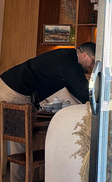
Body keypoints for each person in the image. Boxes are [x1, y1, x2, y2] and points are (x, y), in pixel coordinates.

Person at [0, 42, 95, 182]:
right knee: (20, 143)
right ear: (85, 55)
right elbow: (83, 92)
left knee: (13, 139)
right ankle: (17, 180)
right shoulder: (70, 62)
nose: (91, 67)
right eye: (92, 62)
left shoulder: (66, 56)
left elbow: (74, 88)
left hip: (7, 84)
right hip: (15, 92)